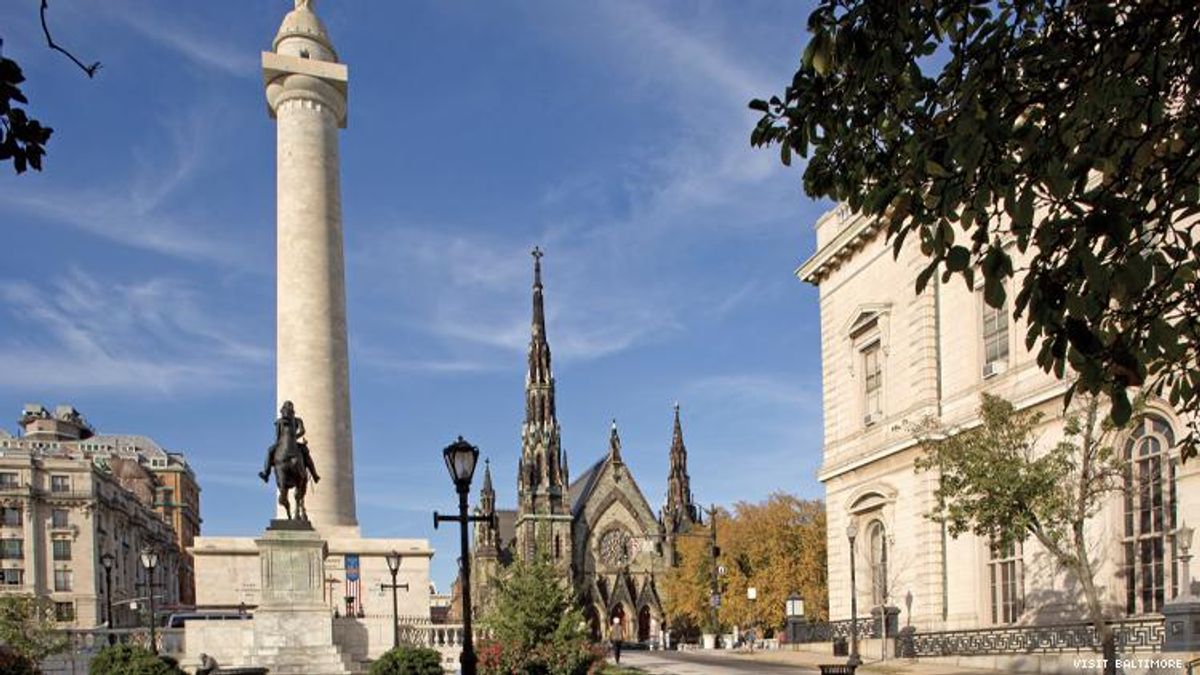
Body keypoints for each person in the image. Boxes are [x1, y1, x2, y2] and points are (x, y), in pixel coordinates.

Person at [260, 401, 320, 484]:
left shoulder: (298, 420)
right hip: (281, 443)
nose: (287, 411)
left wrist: (295, 437)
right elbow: (277, 435)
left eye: (289, 408)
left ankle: (314, 475)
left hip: (294, 442)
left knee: (306, 453)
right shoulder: (279, 422)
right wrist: (277, 444)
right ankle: (266, 473)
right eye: (286, 409)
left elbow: (302, 431)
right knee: (270, 450)